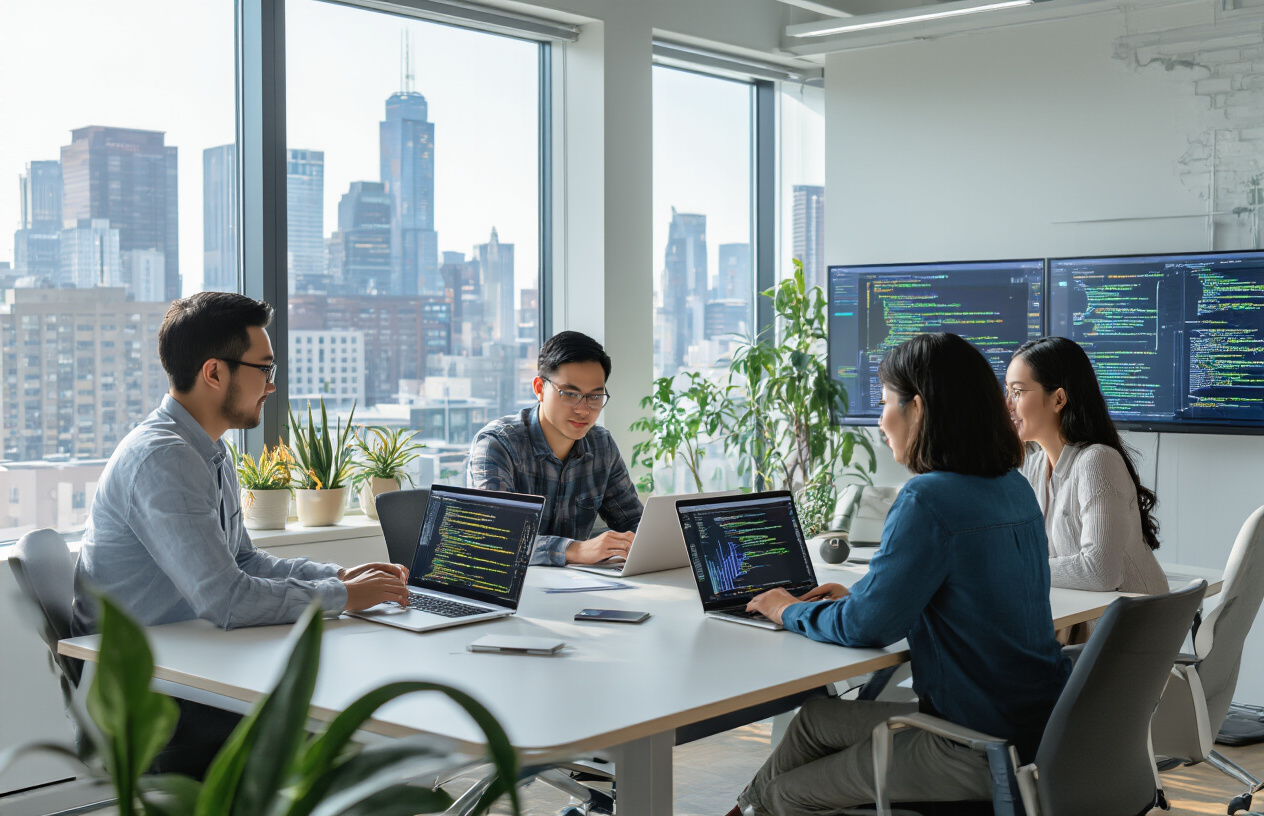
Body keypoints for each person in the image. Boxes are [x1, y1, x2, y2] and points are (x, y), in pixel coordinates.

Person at [731, 333, 1071, 816]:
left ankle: (760, 806)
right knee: (813, 721)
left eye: (886, 401)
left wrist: (788, 610)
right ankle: (744, 809)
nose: (880, 418)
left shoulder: (927, 499)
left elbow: (869, 627)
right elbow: (955, 592)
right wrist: (858, 596)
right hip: (1032, 729)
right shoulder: (1013, 486)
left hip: (973, 745)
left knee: (788, 795)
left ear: (919, 409)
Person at [71, 292, 409, 777]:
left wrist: (339, 575)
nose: (272, 386)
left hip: (188, 662)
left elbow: (245, 563)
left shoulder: (207, 450)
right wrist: (343, 596)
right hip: (143, 697)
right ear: (214, 373)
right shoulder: (163, 458)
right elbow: (227, 600)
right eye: (265, 369)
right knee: (336, 728)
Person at [1006, 336, 1168, 595]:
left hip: (1131, 628)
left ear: (1059, 399)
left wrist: (1016, 569)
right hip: (1085, 618)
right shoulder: (1034, 467)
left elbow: (1101, 572)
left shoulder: (1097, 461)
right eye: (1007, 391)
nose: (1007, 404)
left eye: (1017, 392)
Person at [466, 331, 643, 566]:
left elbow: (634, 521)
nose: (583, 410)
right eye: (570, 394)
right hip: (506, 591)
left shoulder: (601, 444)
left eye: (595, 396)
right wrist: (575, 550)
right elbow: (493, 537)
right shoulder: (497, 445)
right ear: (539, 388)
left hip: (577, 588)